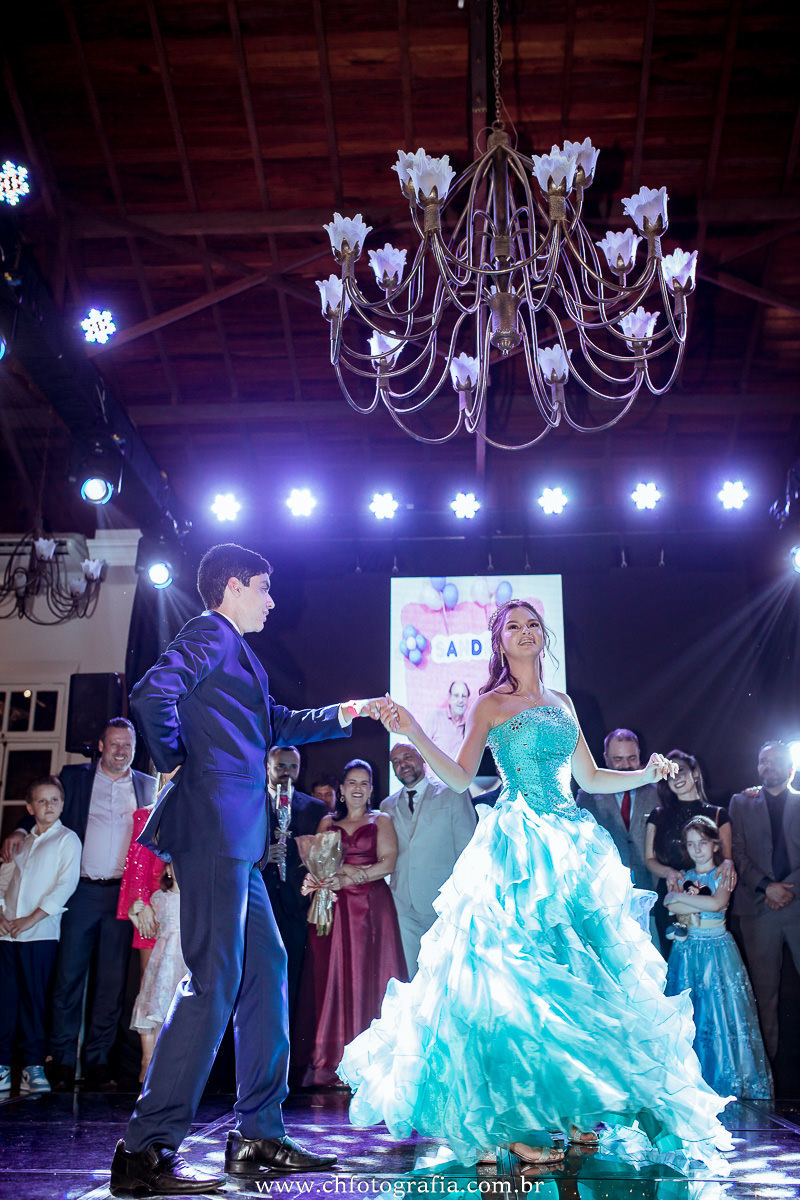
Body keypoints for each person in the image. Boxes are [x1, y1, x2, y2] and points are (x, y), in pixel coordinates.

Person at [339, 600, 732, 1171]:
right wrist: (414, 729)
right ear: (499, 641)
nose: (525, 633)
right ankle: (515, 1121)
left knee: (575, 976)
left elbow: (591, 777)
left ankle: (572, 1114)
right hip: (515, 844)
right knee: (514, 982)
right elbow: (456, 776)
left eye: (532, 625)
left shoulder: (562, 702)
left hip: (570, 845)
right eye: (513, 627)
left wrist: (648, 772)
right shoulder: (490, 704)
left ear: (542, 637)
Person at [110, 542, 382, 1196]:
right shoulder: (209, 632)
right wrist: (184, 761)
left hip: (238, 840)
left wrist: (350, 712)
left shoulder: (240, 655)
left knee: (267, 969)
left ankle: (258, 1137)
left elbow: (276, 724)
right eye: (265, 587)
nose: (273, 599)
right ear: (234, 586)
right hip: (212, 829)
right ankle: (145, 1150)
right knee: (214, 983)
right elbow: (153, 695)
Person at [1, 718, 157, 1091]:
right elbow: (41, 805)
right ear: (101, 746)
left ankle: (99, 1061)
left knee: (111, 982)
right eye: (115, 744)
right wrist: (20, 830)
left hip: (125, 896)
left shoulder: (148, 786)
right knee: (68, 978)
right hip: (80, 892)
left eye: (128, 745)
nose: (121, 751)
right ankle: (61, 1060)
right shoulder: (74, 778)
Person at [297, 758, 407, 1088]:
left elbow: (388, 862)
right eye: (352, 783)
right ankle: (331, 1062)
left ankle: (373, 1064)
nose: (358, 788)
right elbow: (317, 865)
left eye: (364, 783)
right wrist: (327, 879)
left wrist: (353, 876)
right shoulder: (326, 822)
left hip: (372, 909)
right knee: (333, 979)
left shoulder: (381, 820)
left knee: (370, 979)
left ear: (371, 789)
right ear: (342, 790)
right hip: (335, 908)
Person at [664, 816, 773, 1100]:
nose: (697, 849)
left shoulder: (722, 874)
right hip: (687, 952)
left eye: (702, 842)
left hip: (716, 951)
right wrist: (679, 901)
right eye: (690, 844)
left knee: (720, 1013)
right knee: (693, 1013)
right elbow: (667, 902)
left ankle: (723, 1085)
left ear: (714, 844)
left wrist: (682, 901)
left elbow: (716, 902)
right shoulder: (682, 874)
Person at [0, 777, 81, 1095]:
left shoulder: (67, 839)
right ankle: (3, 1065)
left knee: (35, 1000)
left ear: (63, 804)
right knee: (6, 1000)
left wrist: (31, 919)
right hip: (7, 935)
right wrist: (3, 915)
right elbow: (4, 878)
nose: (49, 806)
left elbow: (65, 885)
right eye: (42, 801)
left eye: (55, 800)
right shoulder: (21, 841)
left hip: (40, 933)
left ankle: (33, 1066)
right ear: (30, 807)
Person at [729, 741, 800, 1061]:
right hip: (758, 910)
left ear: (790, 769)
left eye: (774, 762)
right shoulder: (741, 803)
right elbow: (737, 853)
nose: (766, 767)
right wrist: (767, 887)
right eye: (762, 761)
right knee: (763, 997)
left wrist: (788, 889)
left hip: (797, 906)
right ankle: (765, 1076)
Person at [381, 742, 476, 976]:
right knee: (410, 979)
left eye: (407, 757)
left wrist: (462, 898)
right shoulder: (386, 806)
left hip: (443, 904)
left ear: (422, 759)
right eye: (396, 761)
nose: (402, 764)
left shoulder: (453, 792)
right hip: (402, 906)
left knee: (444, 977)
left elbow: (468, 850)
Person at [261, 746, 327, 1027]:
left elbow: (323, 857)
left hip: (297, 906)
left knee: (293, 980)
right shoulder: (251, 801)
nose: (287, 772)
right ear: (267, 766)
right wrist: (262, 857)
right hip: (258, 902)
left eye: (292, 767)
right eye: (280, 766)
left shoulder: (315, 808)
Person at [645, 750, 736, 952]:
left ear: (695, 772)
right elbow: (649, 859)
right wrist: (668, 872)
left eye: (681, 771)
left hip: (708, 892)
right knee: (673, 958)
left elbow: (726, 858)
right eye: (670, 774)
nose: (676, 778)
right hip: (671, 890)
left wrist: (728, 863)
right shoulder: (658, 815)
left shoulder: (718, 814)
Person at [130, 864, 186, 1080]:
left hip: (183, 962)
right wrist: (133, 914)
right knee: (152, 1007)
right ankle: (146, 1064)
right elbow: (148, 930)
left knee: (176, 1010)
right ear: (168, 870)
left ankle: (172, 1072)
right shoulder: (159, 898)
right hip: (162, 961)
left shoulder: (196, 899)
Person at [425, 680, 471, 760]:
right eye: (456, 696)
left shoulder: (469, 727)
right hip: (432, 772)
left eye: (463, 696)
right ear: (449, 698)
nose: (460, 700)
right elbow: (421, 747)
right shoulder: (435, 717)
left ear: (467, 700)